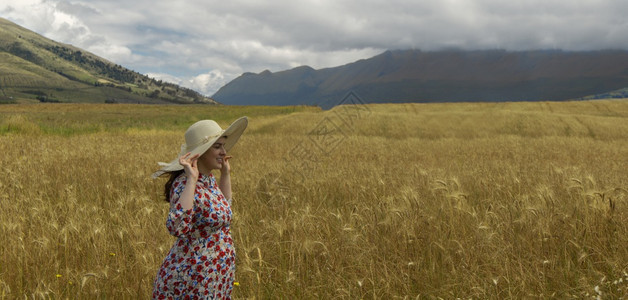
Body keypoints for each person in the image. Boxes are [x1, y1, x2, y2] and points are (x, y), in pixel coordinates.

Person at [151, 117, 248, 299]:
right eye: (217, 146)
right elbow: (178, 227)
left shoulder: (209, 180)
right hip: (192, 279)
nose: (224, 152)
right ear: (201, 152)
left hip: (214, 275)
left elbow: (224, 211)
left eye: (224, 146)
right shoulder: (184, 184)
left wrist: (225, 174)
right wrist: (191, 180)